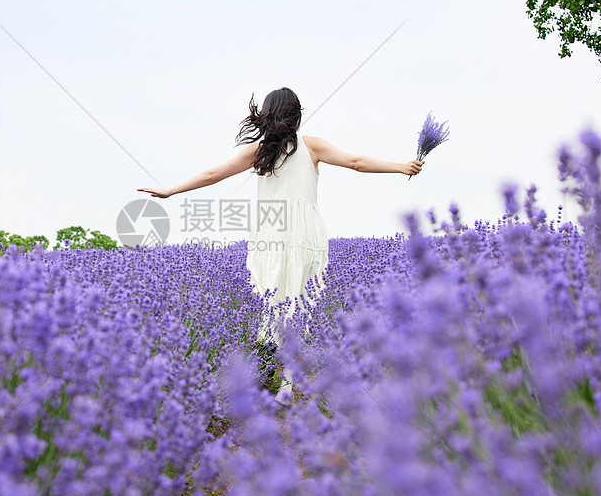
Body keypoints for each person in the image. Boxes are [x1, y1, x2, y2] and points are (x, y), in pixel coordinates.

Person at [138, 87, 423, 404]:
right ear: (296, 114)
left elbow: (213, 174)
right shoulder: (311, 145)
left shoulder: (260, 150)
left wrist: (171, 191)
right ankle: (283, 384)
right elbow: (356, 162)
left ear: (268, 115)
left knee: (271, 301)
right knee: (297, 302)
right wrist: (400, 166)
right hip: (304, 234)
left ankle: (267, 377)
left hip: (272, 232)